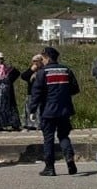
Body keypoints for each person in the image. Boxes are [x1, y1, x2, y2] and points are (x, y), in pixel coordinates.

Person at [28, 46, 81, 176]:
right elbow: (75, 89)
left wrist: (32, 110)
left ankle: (50, 168)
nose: (42, 61)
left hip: (48, 111)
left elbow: (36, 93)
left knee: (48, 139)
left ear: (47, 58)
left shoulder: (43, 72)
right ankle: (69, 159)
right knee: (63, 136)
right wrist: (63, 94)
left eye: (43, 58)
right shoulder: (66, 70)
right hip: (64, 110)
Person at [0, 52, 22, 131]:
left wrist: (9, 79)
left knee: (10, 107)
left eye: (2, 59)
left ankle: (14, 124)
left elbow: (16, 73)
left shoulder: (6, 68)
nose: (1, 61)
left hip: (7, 92)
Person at [19, 53, 44, 130]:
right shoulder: (31, 70)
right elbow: (23, 76)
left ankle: (40, 124)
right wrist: (31, 70)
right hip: (31, 93)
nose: (34, 63)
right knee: (30, 108)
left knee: (40, 109)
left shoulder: (44, 70)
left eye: (36, 61)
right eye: (33, 61)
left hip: (41, 94)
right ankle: (30, 124)